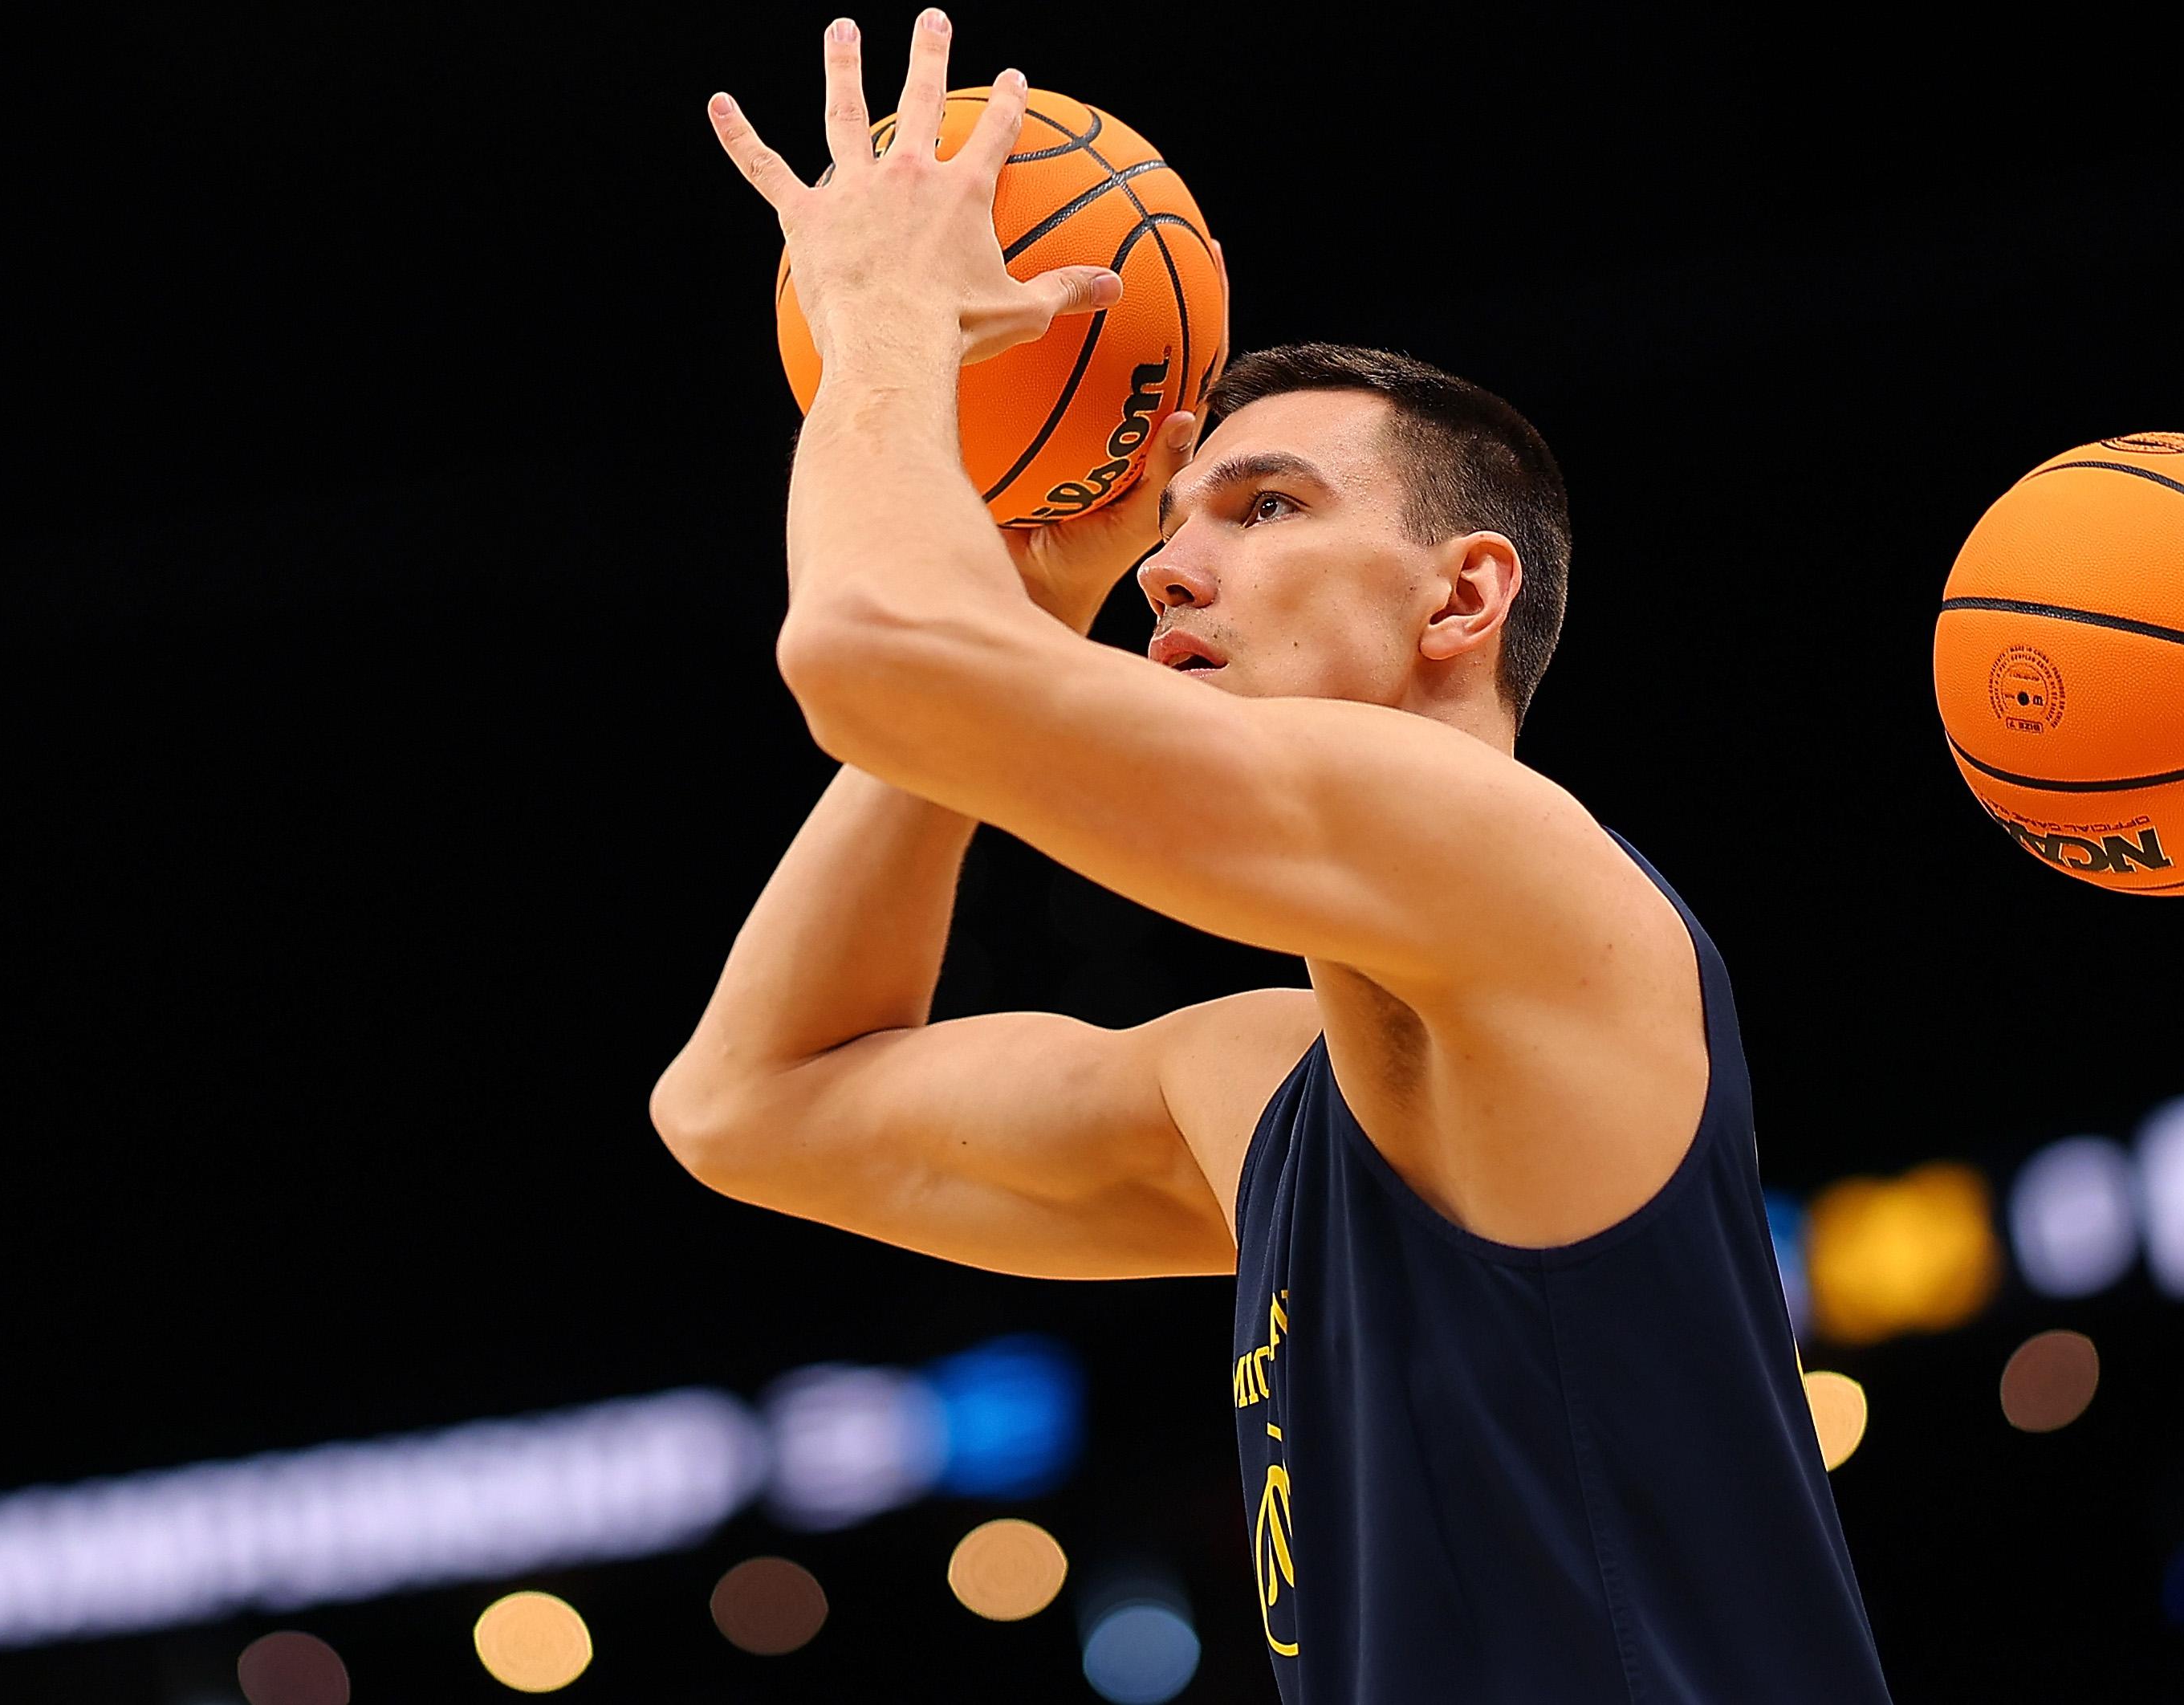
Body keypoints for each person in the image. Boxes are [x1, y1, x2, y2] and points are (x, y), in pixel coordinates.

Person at [660, 13, 1893, 1699]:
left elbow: (864, 651)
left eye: (1268, 509)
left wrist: (885, 322)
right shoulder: (1259, 1091)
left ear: (1464, 596)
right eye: (1170, 525)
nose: (1172, 568)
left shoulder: (1531, 879)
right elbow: (751, 1105)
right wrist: (1035, 594)